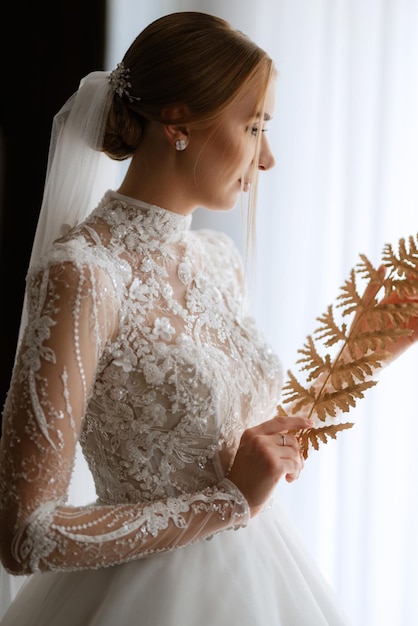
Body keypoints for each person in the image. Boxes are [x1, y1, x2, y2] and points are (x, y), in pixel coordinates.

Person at [2, 11, 415, 626]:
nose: (267, 158)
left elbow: (229, 442)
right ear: (178, 122)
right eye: (253, 126)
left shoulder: (219, 260)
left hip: (263, 579)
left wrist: (369, 348)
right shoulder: (85, 274)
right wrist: (227, 502)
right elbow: (24, 535)